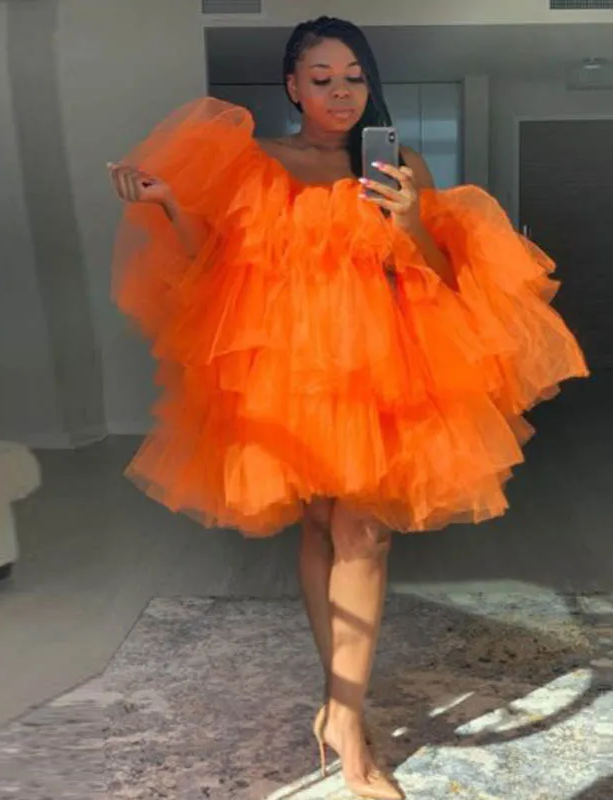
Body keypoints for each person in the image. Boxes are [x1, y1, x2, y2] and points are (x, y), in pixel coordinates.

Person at [107, 16, 588, 800]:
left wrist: (409, 221)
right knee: (319, 525)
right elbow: (218, 266)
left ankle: (345, 717)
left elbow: (443, 274)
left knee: (364, 531)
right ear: (293, 87)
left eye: (354, 77)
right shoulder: (258, 163)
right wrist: (168, 204)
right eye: (322, 78)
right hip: (292, 367)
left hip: (380, 365)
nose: (340, 92)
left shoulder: (397, 163)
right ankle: (341, 708)